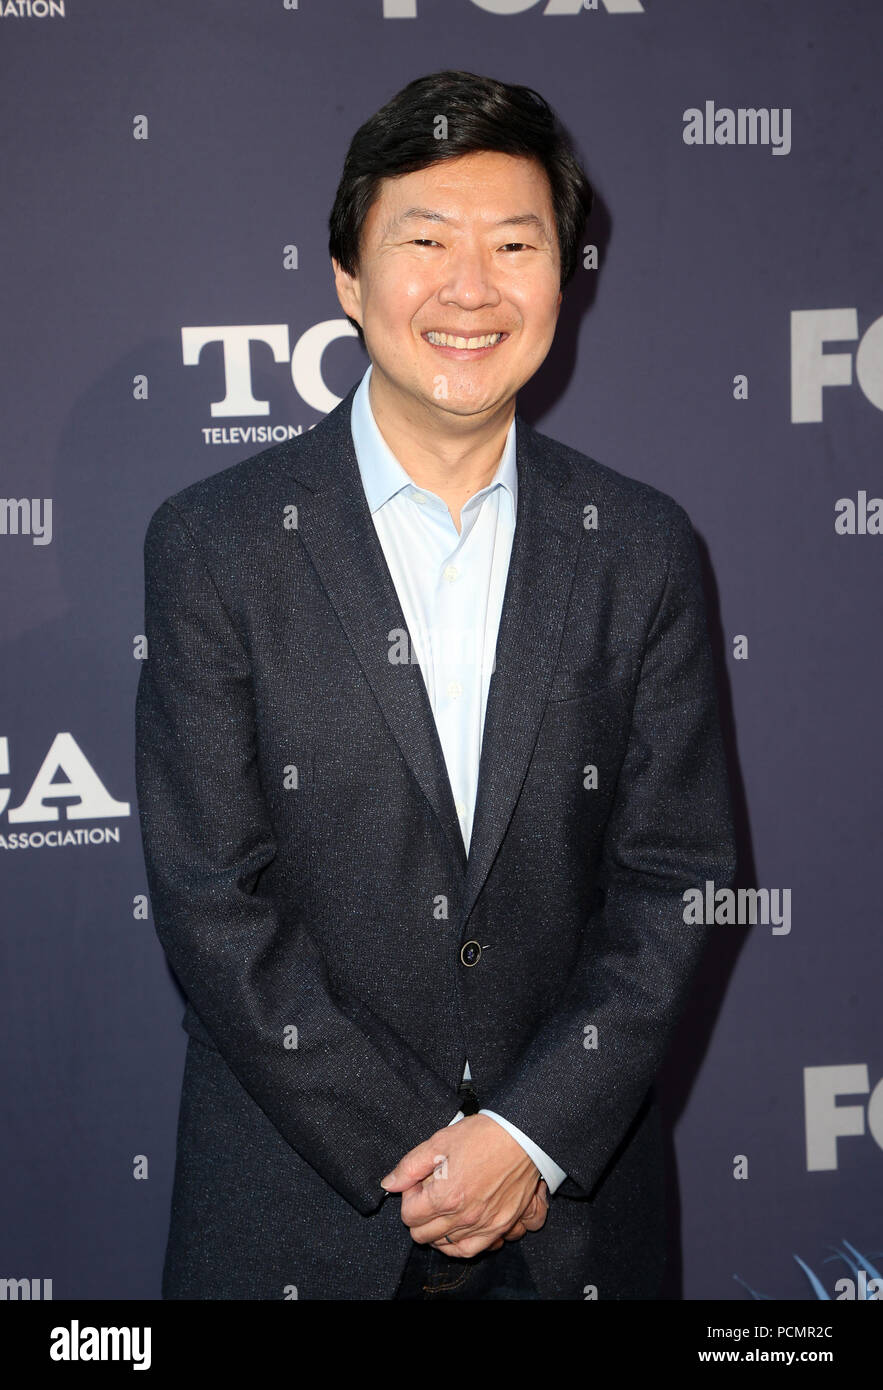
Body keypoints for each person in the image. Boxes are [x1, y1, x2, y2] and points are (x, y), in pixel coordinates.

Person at [135, 69, 736, 1301]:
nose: (472, 288)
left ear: (563, 278)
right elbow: (211, 896)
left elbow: (680, 877)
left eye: (515, 243)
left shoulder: (643, 544)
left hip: (572, 1218)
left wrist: (523, 1137)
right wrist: (418, 1158)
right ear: (349, 279)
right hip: (296, 1217)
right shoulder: (216, 543)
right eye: (426, 241)